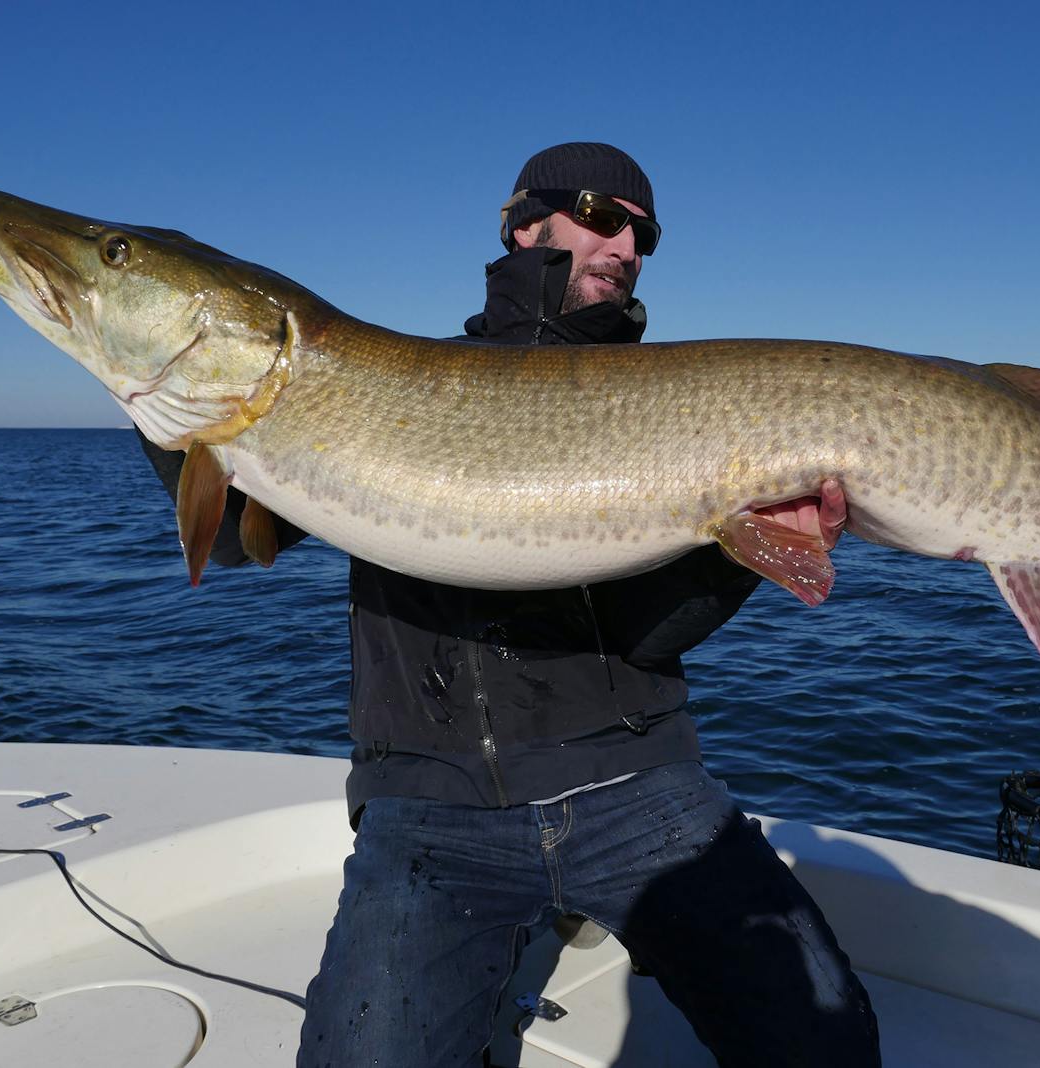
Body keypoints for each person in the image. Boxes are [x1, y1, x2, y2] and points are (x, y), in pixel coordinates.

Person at [143, 143, 879, 1067]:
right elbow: (222, 539)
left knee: (823, 1041)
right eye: (605, 217)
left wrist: (751, 551)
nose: (628, 246)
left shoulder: (680, 414)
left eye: (644, 234)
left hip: (635, 781)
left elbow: (656, 635)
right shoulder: (392, 380)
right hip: (429, 800)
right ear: (525, 225)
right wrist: (164, 404)